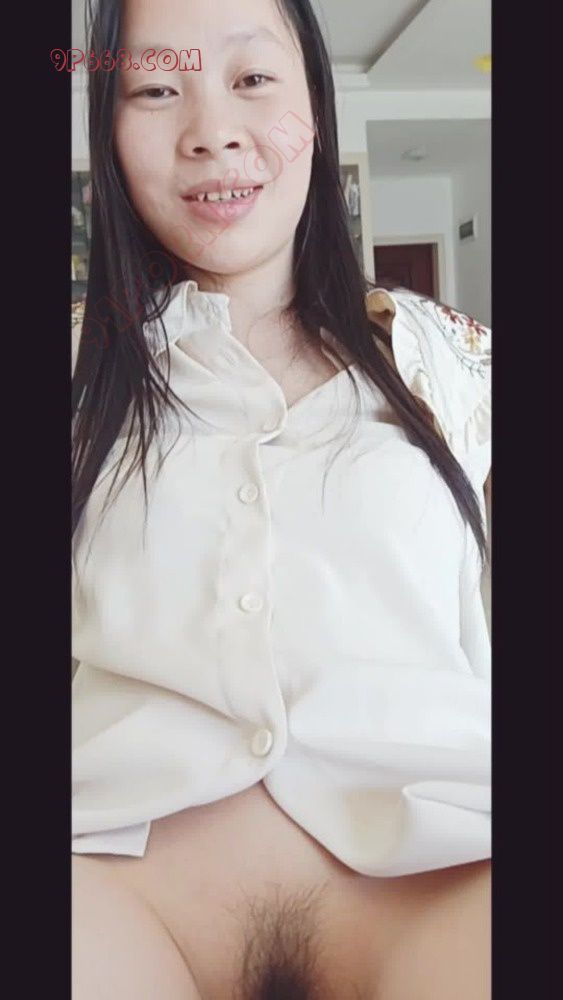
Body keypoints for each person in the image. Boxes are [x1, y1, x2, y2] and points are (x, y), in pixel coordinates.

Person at [71, 0, 492, 997]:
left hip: (443, 868)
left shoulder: (455, 362)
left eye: (252, 79)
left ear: (315, 108)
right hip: (110, 877)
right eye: (156, 89)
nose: (211, 129)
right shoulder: (70, 376)